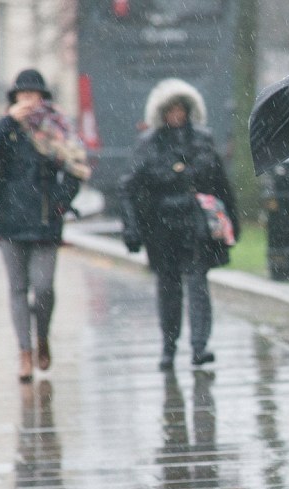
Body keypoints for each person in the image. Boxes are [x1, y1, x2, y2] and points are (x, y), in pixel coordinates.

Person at [0, 69, 89, 382]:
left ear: (42, 98)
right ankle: (24, 352)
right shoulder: (4, 128)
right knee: (17, 288)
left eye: (32, 95)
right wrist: (9, 120)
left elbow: (77, 166)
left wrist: (60, 202)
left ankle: (42, 336)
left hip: (44, 221)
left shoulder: (56, 128)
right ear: (14, 99)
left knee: (43, 288)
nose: (27, 100)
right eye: (21, 95)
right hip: (8, 221)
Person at [120, 78, 239, 370]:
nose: (176, 115)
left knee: (198, 284)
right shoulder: (148, 145)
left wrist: (231, 221)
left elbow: (220, 183)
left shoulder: (203, 139)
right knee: (169, 289)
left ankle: (199, 346)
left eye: (180, 109)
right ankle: (169, 347)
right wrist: (132, 226)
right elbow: (131, 187)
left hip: (195, 225)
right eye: (170, 110)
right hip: (162, 227)